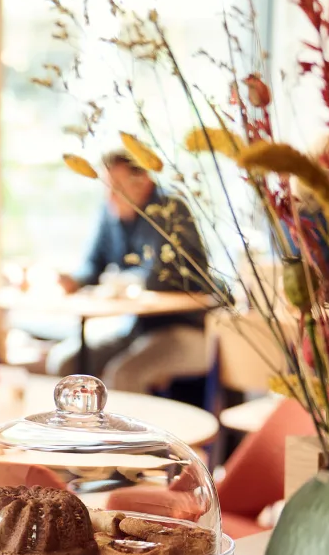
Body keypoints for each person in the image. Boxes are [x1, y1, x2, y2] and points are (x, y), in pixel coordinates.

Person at [47, 149, 213, 391]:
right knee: (66, 363)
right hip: (140, 328)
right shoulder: (111, 213)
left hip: (186, 328)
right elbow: (94, 265)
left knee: (124, 375)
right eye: (107, 186)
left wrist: (121, 282)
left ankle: (132, 430)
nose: (110, 195)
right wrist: (74, 280)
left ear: (144, 181)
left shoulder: (168, 210)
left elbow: (160, 279)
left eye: (116, 186)